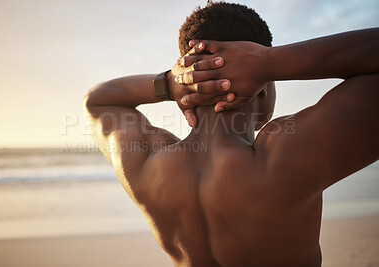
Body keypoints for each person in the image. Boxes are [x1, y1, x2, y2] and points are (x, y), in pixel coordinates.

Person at [84, 2, 379, 266]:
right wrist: (269, 62)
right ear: (263, 90)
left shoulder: (148, 165)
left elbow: (99, 100)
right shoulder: (285, 157)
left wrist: (167, 83)